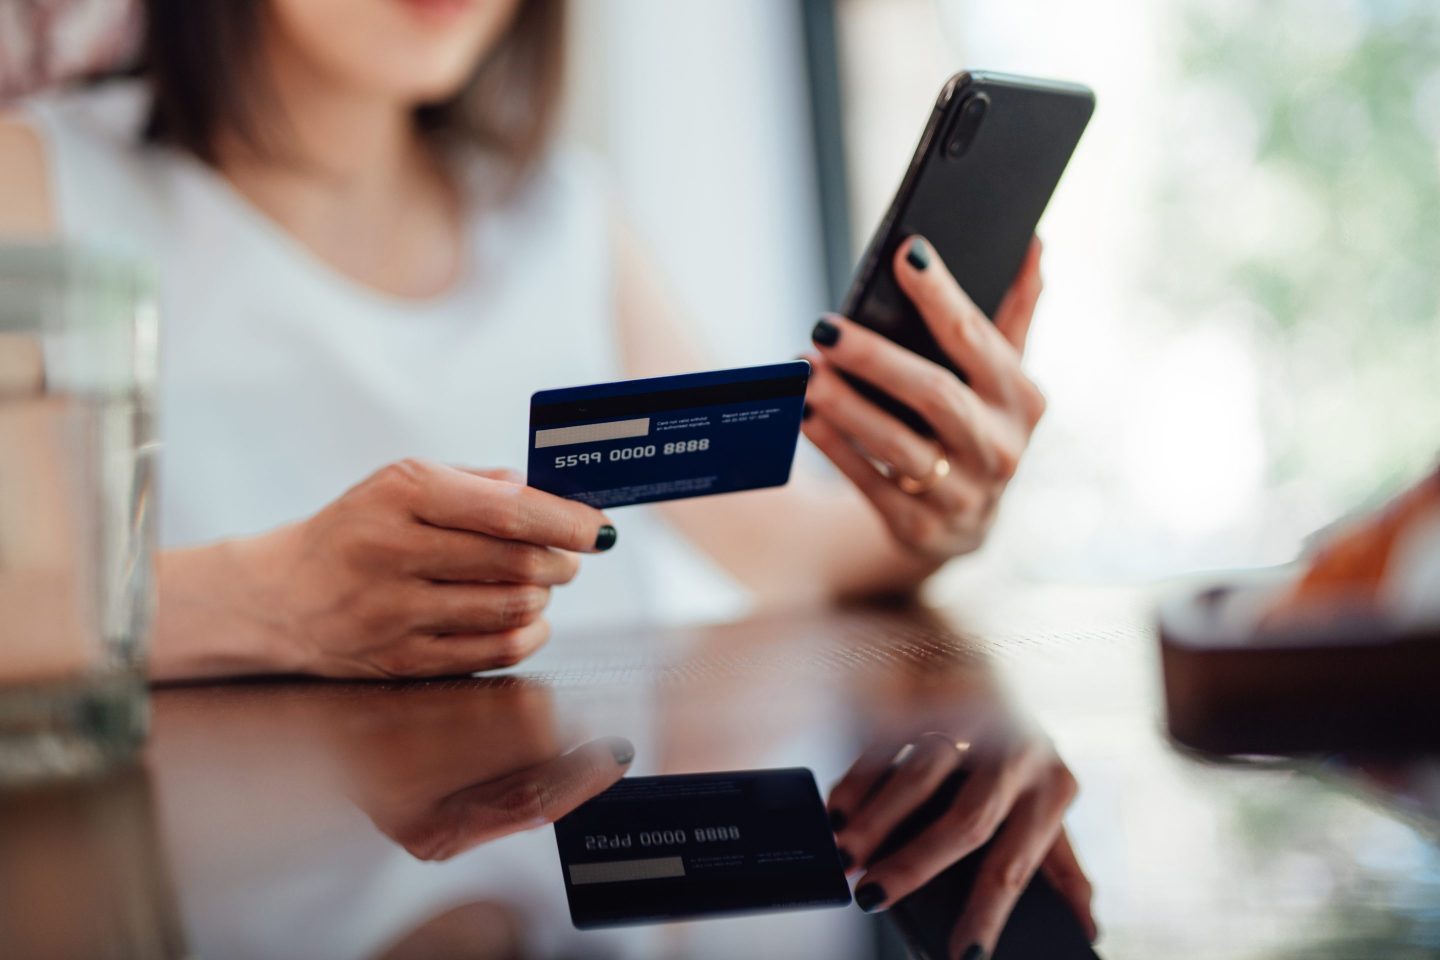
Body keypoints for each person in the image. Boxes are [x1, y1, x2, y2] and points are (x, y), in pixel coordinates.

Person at [0, 0, 1049, 681]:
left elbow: (783, 545)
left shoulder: (562, 213)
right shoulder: (38, 186)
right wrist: (272, 599)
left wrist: (934, 517)